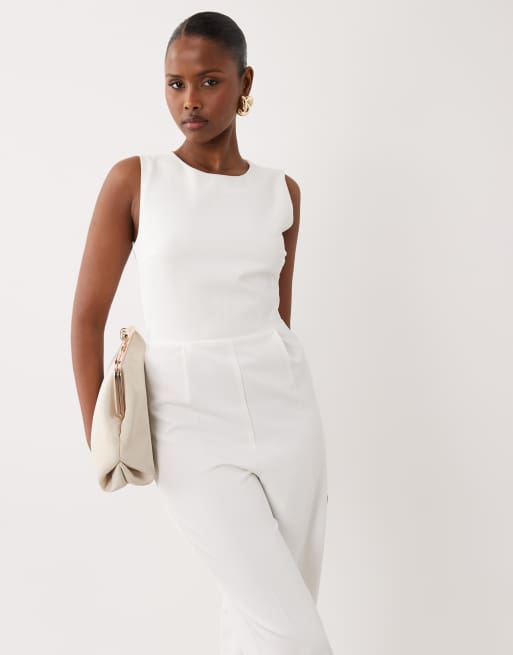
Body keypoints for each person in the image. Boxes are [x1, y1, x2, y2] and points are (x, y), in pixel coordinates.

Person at [71, 10, 333, 655]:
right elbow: (86, 316)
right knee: (292, 632)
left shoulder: (283, 192)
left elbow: (278, 315)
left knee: (269, 613)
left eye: (209, 81)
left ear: (245, 83)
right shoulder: (136, 179)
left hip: (285, 408)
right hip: (185, 415)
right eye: (175, 84)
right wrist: (99, 431)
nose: (189, 100)